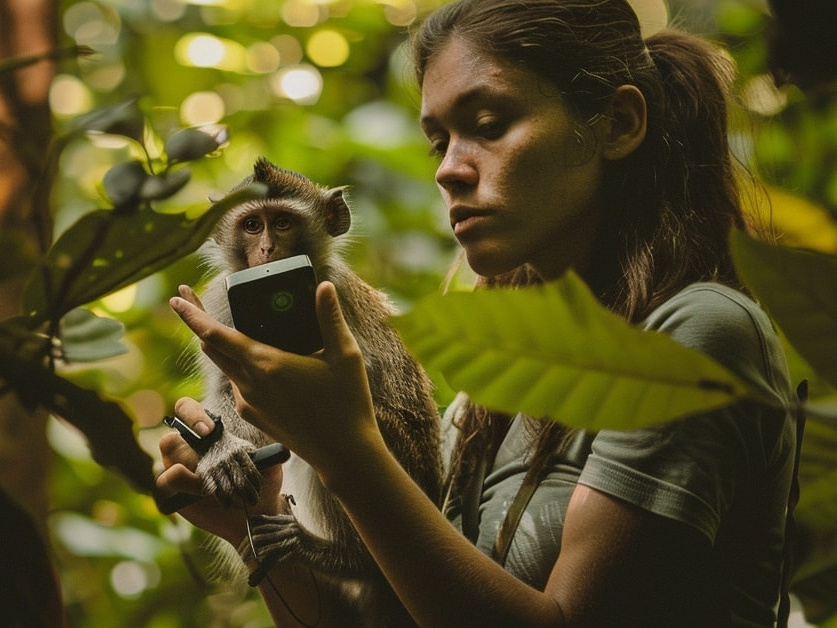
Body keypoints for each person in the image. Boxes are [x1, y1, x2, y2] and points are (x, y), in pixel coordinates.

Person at [156, 0, 798, 625]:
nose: (449, 172)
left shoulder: (695, 337)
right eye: (439, 142)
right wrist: (249, 522)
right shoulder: (495, 390)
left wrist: (346, 452)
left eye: (489, 125)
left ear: (618, 123)